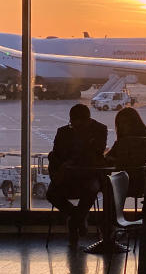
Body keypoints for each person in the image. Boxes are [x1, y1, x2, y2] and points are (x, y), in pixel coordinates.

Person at [46, 103, 109, 244]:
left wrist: (70, 162)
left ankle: (75, 220)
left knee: (90, 189)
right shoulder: (63, 132)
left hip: (88, 174)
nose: (75, 127)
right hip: (73, 175)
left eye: (79, 125)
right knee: (52, 194)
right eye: (73, 124)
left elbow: (96, 152)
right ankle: (79, 218)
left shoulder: (100, 130)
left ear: (88, 121)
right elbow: (57, 154)